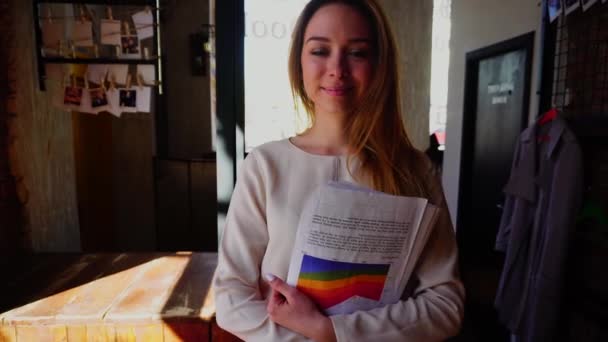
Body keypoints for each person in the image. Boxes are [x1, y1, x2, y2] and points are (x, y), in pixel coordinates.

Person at [213, 1, 464, 341]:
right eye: (319, 50)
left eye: (357, 53)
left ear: (379, 65)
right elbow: (231, 297)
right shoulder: (264, 166)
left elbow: (445, 304)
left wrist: (332, 332)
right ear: (299, 61)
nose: (337, 68)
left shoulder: (414, 170)